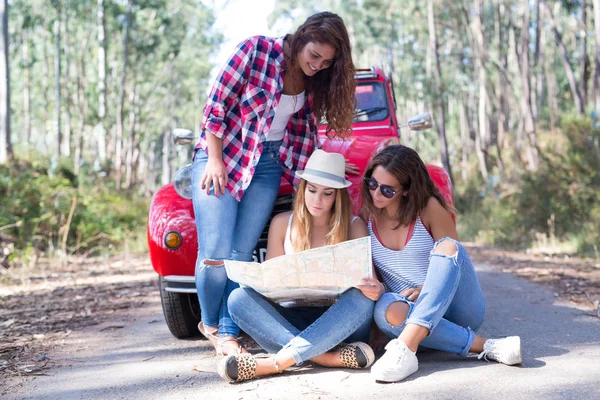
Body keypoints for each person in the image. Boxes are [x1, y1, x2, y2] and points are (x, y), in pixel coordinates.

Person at [191, 12, 356, 356]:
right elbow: (216, 105)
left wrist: (327, 169)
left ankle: (227, 333)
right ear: (300, 39)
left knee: (242, 254)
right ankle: (209, 323)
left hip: (267, 166)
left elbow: (305, 136)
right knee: (216, 254)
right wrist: (216, 159)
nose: (318, 65)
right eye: (314, 56)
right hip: (225, 154)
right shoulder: (256, 51)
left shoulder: (315, 82)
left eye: (327, 62)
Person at [217, 150, 385, 383]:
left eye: (327, 194)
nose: (317, 200)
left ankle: (276, 363)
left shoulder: (354, 226)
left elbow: (373, 286)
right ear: (303, 188)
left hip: (339, 322)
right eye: (312, 190)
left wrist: (377, 290)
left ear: (338, 196)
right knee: (237, 299)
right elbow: (271, 285)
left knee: (363, 299)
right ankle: (326, 357)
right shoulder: (281, 223)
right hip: (290, 319)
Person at [360, 145, 522, 383]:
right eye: (372, 183)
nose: (376, 193)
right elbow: (377, 278)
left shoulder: (429, 209)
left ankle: (405, 346)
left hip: (456, 307)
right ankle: (487, 346)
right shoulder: (368, 217)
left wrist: (426, 287)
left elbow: (453, 262)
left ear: (406, 190)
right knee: (386, 307)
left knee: (448, 247)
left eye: (386, 189)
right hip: (407, 312)